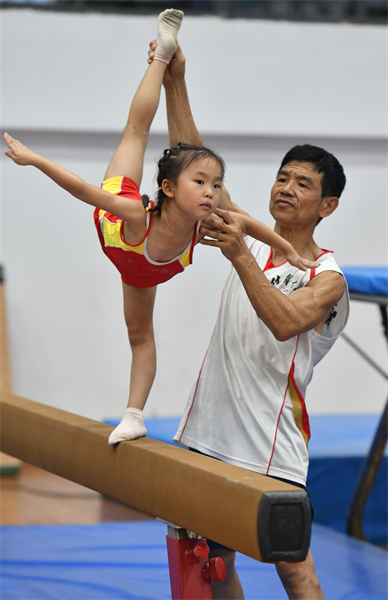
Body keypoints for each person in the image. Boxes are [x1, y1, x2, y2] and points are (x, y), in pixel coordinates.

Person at [3, 11, 317, 448]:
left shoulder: (209, 222)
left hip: (138, 271)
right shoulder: (136, 211)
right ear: (168, 187)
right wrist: (35, 160)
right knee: (135, 131)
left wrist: (297, 255)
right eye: (200, 183)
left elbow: (257, 228)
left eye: (217, 184)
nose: (212, 193)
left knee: (141, 336)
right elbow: (81, 191)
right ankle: (159, 56)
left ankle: (134, 415)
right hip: (121, 226)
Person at [149, 41, 349, 599]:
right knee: (209, 559)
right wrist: (174, 79)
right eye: (282, 177)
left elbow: (286, 323)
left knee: (293, 566)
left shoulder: (329, 277)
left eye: (302, 184)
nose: (285, 188)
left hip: (269, 441)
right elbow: (194, 165)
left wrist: (239, 254)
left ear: (327, 205)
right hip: (210, 428)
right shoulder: (250, 236)